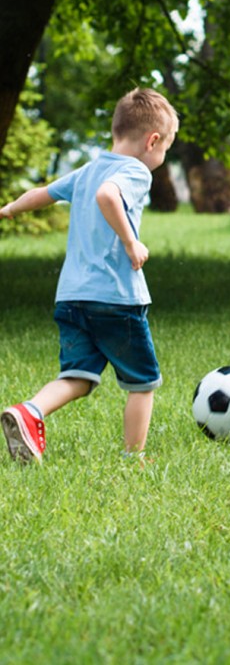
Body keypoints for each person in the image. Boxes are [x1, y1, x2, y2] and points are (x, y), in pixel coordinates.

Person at [0, 87, 179, 464]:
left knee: (78, 377)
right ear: (153, 140)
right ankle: (134, 458)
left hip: (71, 297)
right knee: (142, 383)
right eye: (165, 151)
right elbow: (108, 196)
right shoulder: (135, 171)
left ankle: (30, 411)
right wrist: (131, 244)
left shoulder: (88, 168)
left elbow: (44, 193)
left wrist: (10, 209)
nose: (161, 159)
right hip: (116, 298)